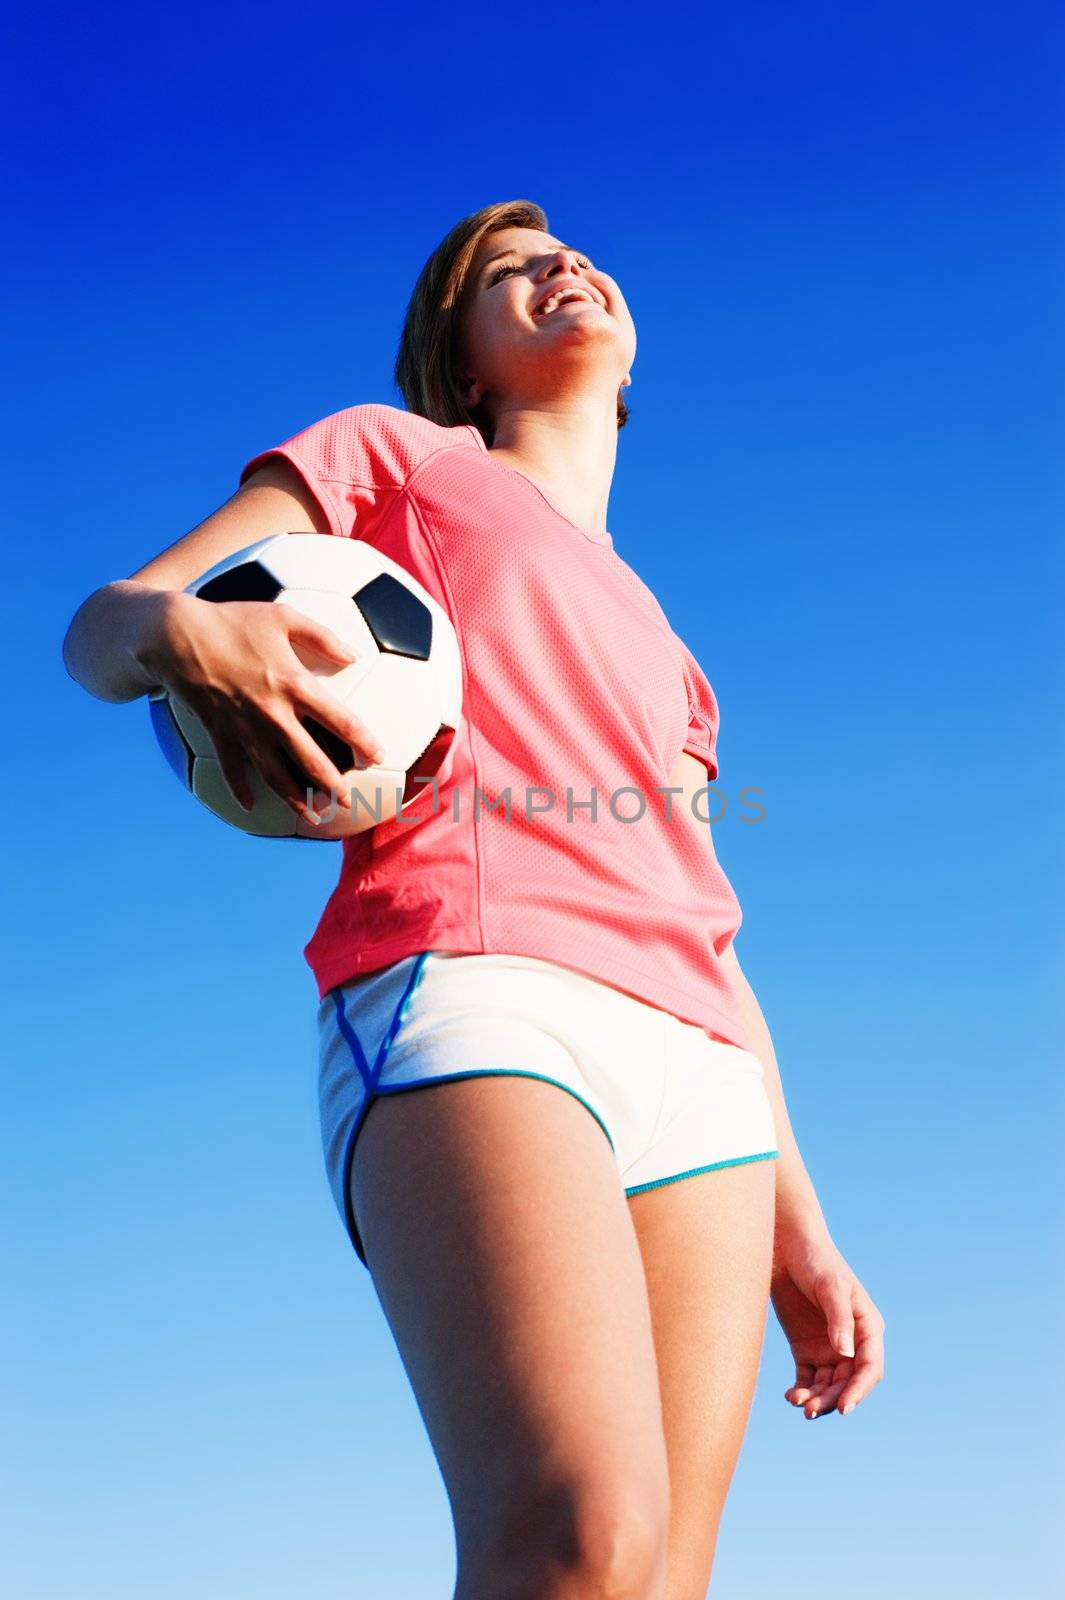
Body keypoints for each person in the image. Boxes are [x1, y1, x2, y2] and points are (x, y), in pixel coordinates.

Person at [62, 199, 885, 1600]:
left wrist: (802, 1231)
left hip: (703, 1083)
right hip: (476, 988)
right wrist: (194, 631)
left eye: (577, 256)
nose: (562, 266)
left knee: (663, 1584)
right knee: (576, 1542)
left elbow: (708, 916)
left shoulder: (673, 654)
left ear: (630, 372)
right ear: (459, 359)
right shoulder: (393, 457)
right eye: (509, 270)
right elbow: (106, 628)